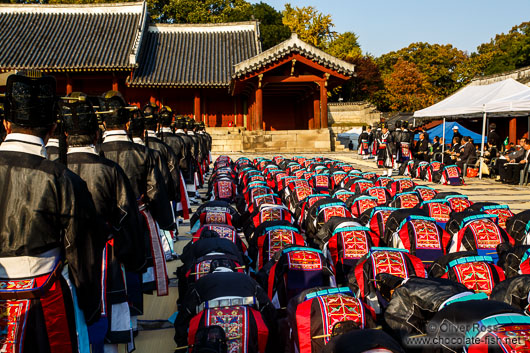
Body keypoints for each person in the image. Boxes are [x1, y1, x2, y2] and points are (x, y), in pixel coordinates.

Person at [0, 71, 103, 352]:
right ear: (54, 128)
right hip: (43, 298)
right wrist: (90, 305)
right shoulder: (63, 179)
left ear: (6, 124)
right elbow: (82, 252)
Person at [61, 93, 146, 352]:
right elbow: (126, 218)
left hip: (62, 262)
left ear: (65, 136)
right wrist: (133, 258)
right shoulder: (110, 170)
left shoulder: (53, 170)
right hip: (104, 256)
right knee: (107, 316)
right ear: (96, 135)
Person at [98, 91, 175, 332]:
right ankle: (129, 326)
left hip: (98, 230)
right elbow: (154, 192)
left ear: (101, 123)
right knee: (131, 269)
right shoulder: (145, 154)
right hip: (136, 219)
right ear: (128, 122)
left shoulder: (94, 154)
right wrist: (166, 222)